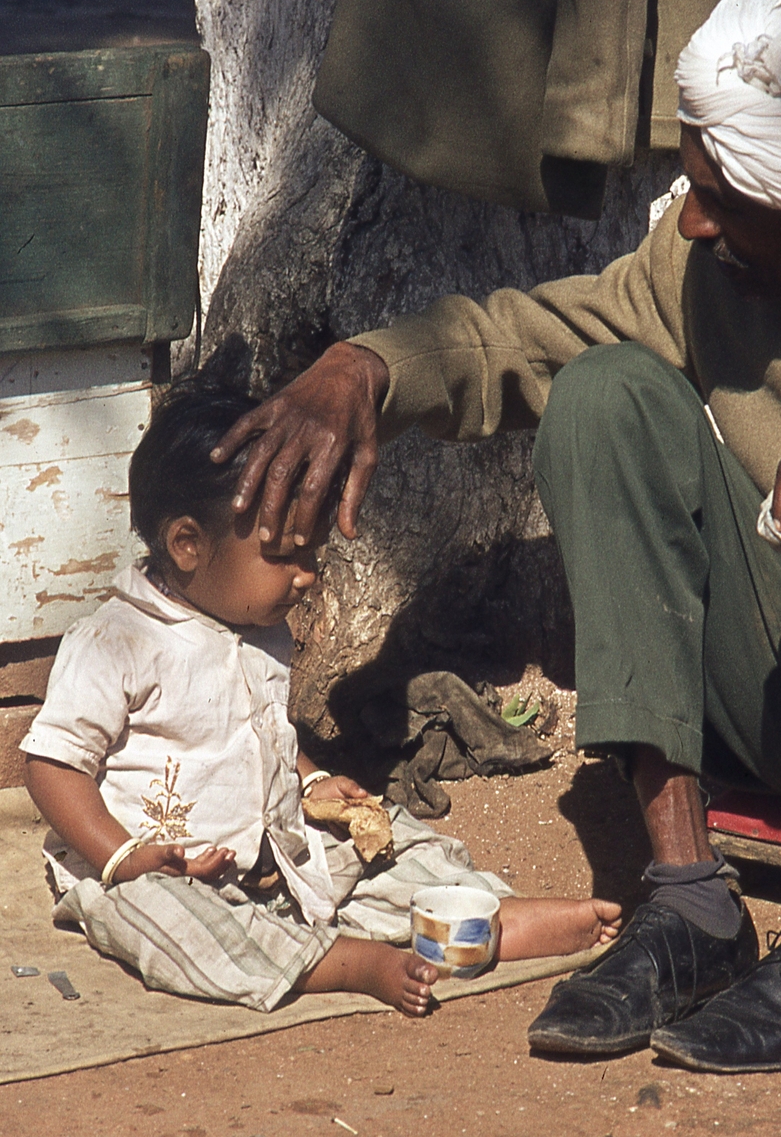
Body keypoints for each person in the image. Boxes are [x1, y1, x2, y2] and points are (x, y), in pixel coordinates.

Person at [208, 0, 781, 1071]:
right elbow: (534, 338)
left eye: (726, 197)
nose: (694, 219)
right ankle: (688, 903)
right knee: (602, 394)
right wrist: (366, 368)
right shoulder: (706, 262)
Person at [21, 381, 621, 1018]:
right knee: (166, 924)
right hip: (163, 869)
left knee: (387, 842)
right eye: (285, 555)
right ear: (188, 544)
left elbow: (264, 732)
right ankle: (351, 965)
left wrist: (311, 782)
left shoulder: (258, 627)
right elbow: (52, 764)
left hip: (278, 852)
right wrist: (123, 857)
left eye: (312, 552)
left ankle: (486, 914)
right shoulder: (114, 641)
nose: (307, 575)